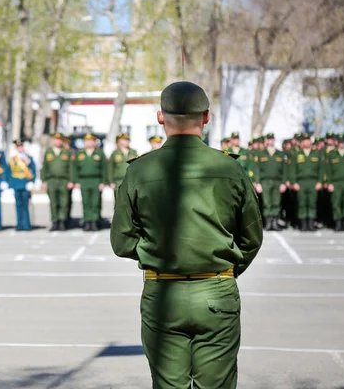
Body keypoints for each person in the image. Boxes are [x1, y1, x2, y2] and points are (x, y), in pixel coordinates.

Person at [110, 81, 263, 389]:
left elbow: (122, 241)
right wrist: (224, 268)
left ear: (160, 118)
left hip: (163, 292)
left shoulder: (139, 170)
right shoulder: (230, 168)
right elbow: (251, 238)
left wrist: (160, 255)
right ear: (206, 117)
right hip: (217, 290)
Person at [71, 132, 107, 231]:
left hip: (96, 180)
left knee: (95, 202)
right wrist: (76, 181)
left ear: (95, 142)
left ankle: (94, 221)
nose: (89, 143)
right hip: (83, 180)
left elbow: (104, 168)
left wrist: (103, 182)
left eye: (91, 141)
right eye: (87, 141)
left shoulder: (99, 153)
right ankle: (87, 221)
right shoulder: (79, 153)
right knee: (86, 201)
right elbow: (75, 168)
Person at [288, 133, 323, 231]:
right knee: (302, 203)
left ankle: (311, 224)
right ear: (301, 143)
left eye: (308, 140)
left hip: (313, 181)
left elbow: (321, 169)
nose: (306, 142)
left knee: (312, 203)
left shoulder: (316, 154)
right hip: (301, 182)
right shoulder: (297, 155)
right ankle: (303, 224)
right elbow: (292, 170)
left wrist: (320, 181)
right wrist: (293, 182)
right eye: (304, 140)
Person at [40, 133, 72, 231]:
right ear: (53, 141)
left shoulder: (66, 152)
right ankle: (55, 221)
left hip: (64, 180)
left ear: (62, 141)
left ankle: (62, 221)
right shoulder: (48, 152)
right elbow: (44, 167)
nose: (57, 141)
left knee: (63, 202)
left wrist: (71, 180)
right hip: (51, 180)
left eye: (59, 140)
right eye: (56, 139)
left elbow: (71, 168)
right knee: (53, 202)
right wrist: (44, 180)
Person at [255, 133, 287, 231]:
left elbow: (285, 170)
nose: (270, 141)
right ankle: (268, 223)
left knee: (276, 202)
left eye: (272, 139)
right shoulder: (261, 154)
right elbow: (257, 169)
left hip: (277, 181)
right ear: (266, 141)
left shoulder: (280, 154)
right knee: (267, 202)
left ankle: (275, 222)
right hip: (265, 181)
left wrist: (284, 182)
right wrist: (257, 182)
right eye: (269, 139)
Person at [8, 138, 36, 231]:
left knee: (25, 205)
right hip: (16, 184)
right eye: (18, 146)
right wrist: (10, 185)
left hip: (25, 183)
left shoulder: (28, 157)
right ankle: (20, 224)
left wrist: (32, 182)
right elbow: (9, 172)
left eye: (21, 146)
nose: (20, 148)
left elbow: (33, 170)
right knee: (18, 205)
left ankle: (27, 224)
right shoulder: (13, 159)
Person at [325, 133, 344, 231]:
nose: (341, 144)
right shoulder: (332, 155)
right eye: (339, 142)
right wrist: (329, 182)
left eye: (343, 142)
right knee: (336, 203)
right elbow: (328, 170)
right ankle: (338, 223)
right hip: (336, 182)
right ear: (336, 143)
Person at [108, 133, 138, 199]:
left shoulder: (133, 152)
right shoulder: (114, 153)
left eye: (127, 139)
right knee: (119, 201)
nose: (127, 141)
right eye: (124, 140)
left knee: (131, 200)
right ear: (118, 142)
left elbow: (137, 167)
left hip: (131, 180)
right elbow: (110, 168)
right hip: (118, 181)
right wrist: (111, 181)